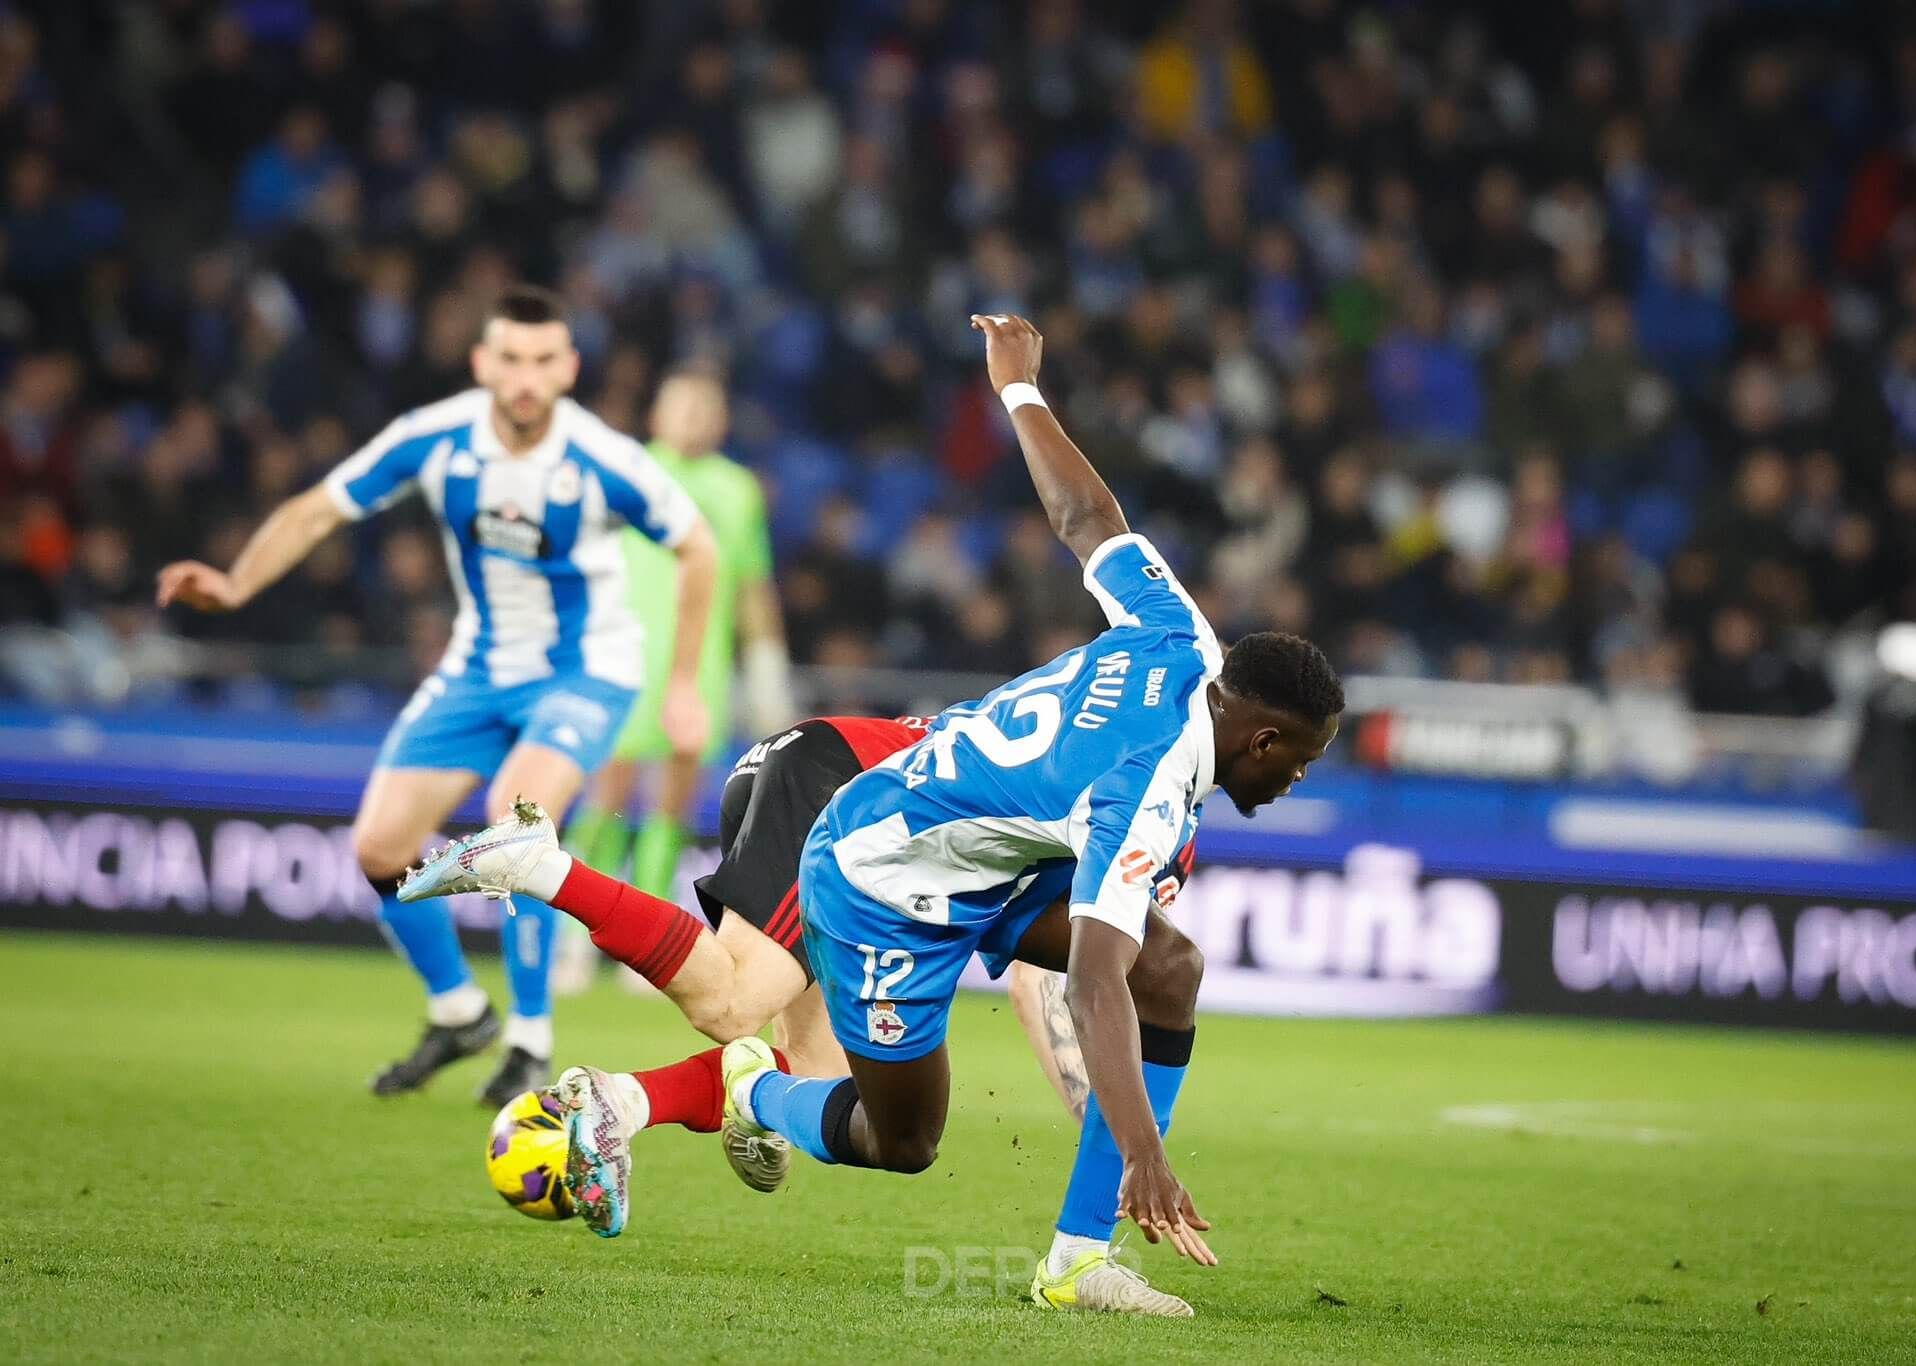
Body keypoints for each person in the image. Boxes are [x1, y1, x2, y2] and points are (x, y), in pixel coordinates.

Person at [697, 314, 1343, 1316]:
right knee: (902, 1140)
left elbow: (1087, 517)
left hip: (988, 855)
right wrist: (1145, 1154)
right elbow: (1090, 987)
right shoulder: (1144, 784)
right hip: (879, 878)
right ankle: (752, 1087)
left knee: (1168, 965)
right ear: (1259, 740)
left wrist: (1020, 392)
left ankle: (1076, 1262)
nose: (1294, 780)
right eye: (1298, 762)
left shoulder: (1181, 631)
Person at [155, 285, 716, 1106]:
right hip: (478, 668)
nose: (525, 377)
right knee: (380, 847)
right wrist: (237, 584)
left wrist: (683, 687)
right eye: (511, 359)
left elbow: (697, 548)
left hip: (585, 670)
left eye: (542, 361)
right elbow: (318, 510)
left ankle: (531, 1037)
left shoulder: (601, 458)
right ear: (483, 362)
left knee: (516, 813)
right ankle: (459, 1012)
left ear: (568, 368)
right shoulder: (435, 438)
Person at [395, 708, 1198, 1217]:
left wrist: (1117, 1136)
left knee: (816, 1073)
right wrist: (1125, 1141)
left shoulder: (1116, 735)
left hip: (824, 769)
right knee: (736, 1003)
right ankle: (541, 866)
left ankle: (620, 1104)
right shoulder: (1154, 815)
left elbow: (1043, 976)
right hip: (843, 793)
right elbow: (1057, 982)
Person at [560, 373, 795, 947]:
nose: (692, 418)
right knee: (608, 795)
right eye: (681, 406)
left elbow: (751, 584)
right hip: (622, 661)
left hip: (700, 669)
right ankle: (570, 934)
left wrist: (767, 666)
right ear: (657, 414)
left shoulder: (738, 488)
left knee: (672, 803)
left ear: (722, 419)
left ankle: (644, 940)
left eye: (704, 407)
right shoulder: (624, 471)